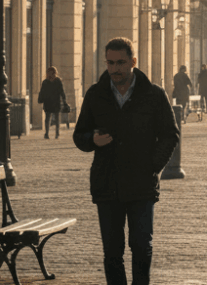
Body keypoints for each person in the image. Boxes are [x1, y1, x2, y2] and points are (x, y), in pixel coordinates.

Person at [73, 37, 180, 285]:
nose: (115, 69)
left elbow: (170, 134)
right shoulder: (95, 94)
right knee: (112, 252)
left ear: (133, 61)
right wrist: (92, 140)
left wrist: (153, 166)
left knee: (142, 247)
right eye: (110, 63)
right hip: (106, 183)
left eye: (121, 62)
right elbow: (79, 135)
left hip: (141, 184)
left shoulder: (153, 94)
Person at [38, 66, 67, 139]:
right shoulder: (45, 82)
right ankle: (47, 133)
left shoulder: (58, 81)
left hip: (56, 102)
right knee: (47, 118)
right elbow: (42, 92)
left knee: (56, 118)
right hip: (48, 102)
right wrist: (40, 99)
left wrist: (64, 100)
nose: (50, 74)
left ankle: (57, 133)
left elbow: (61, 92)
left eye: (52, 72)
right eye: (49, 72)